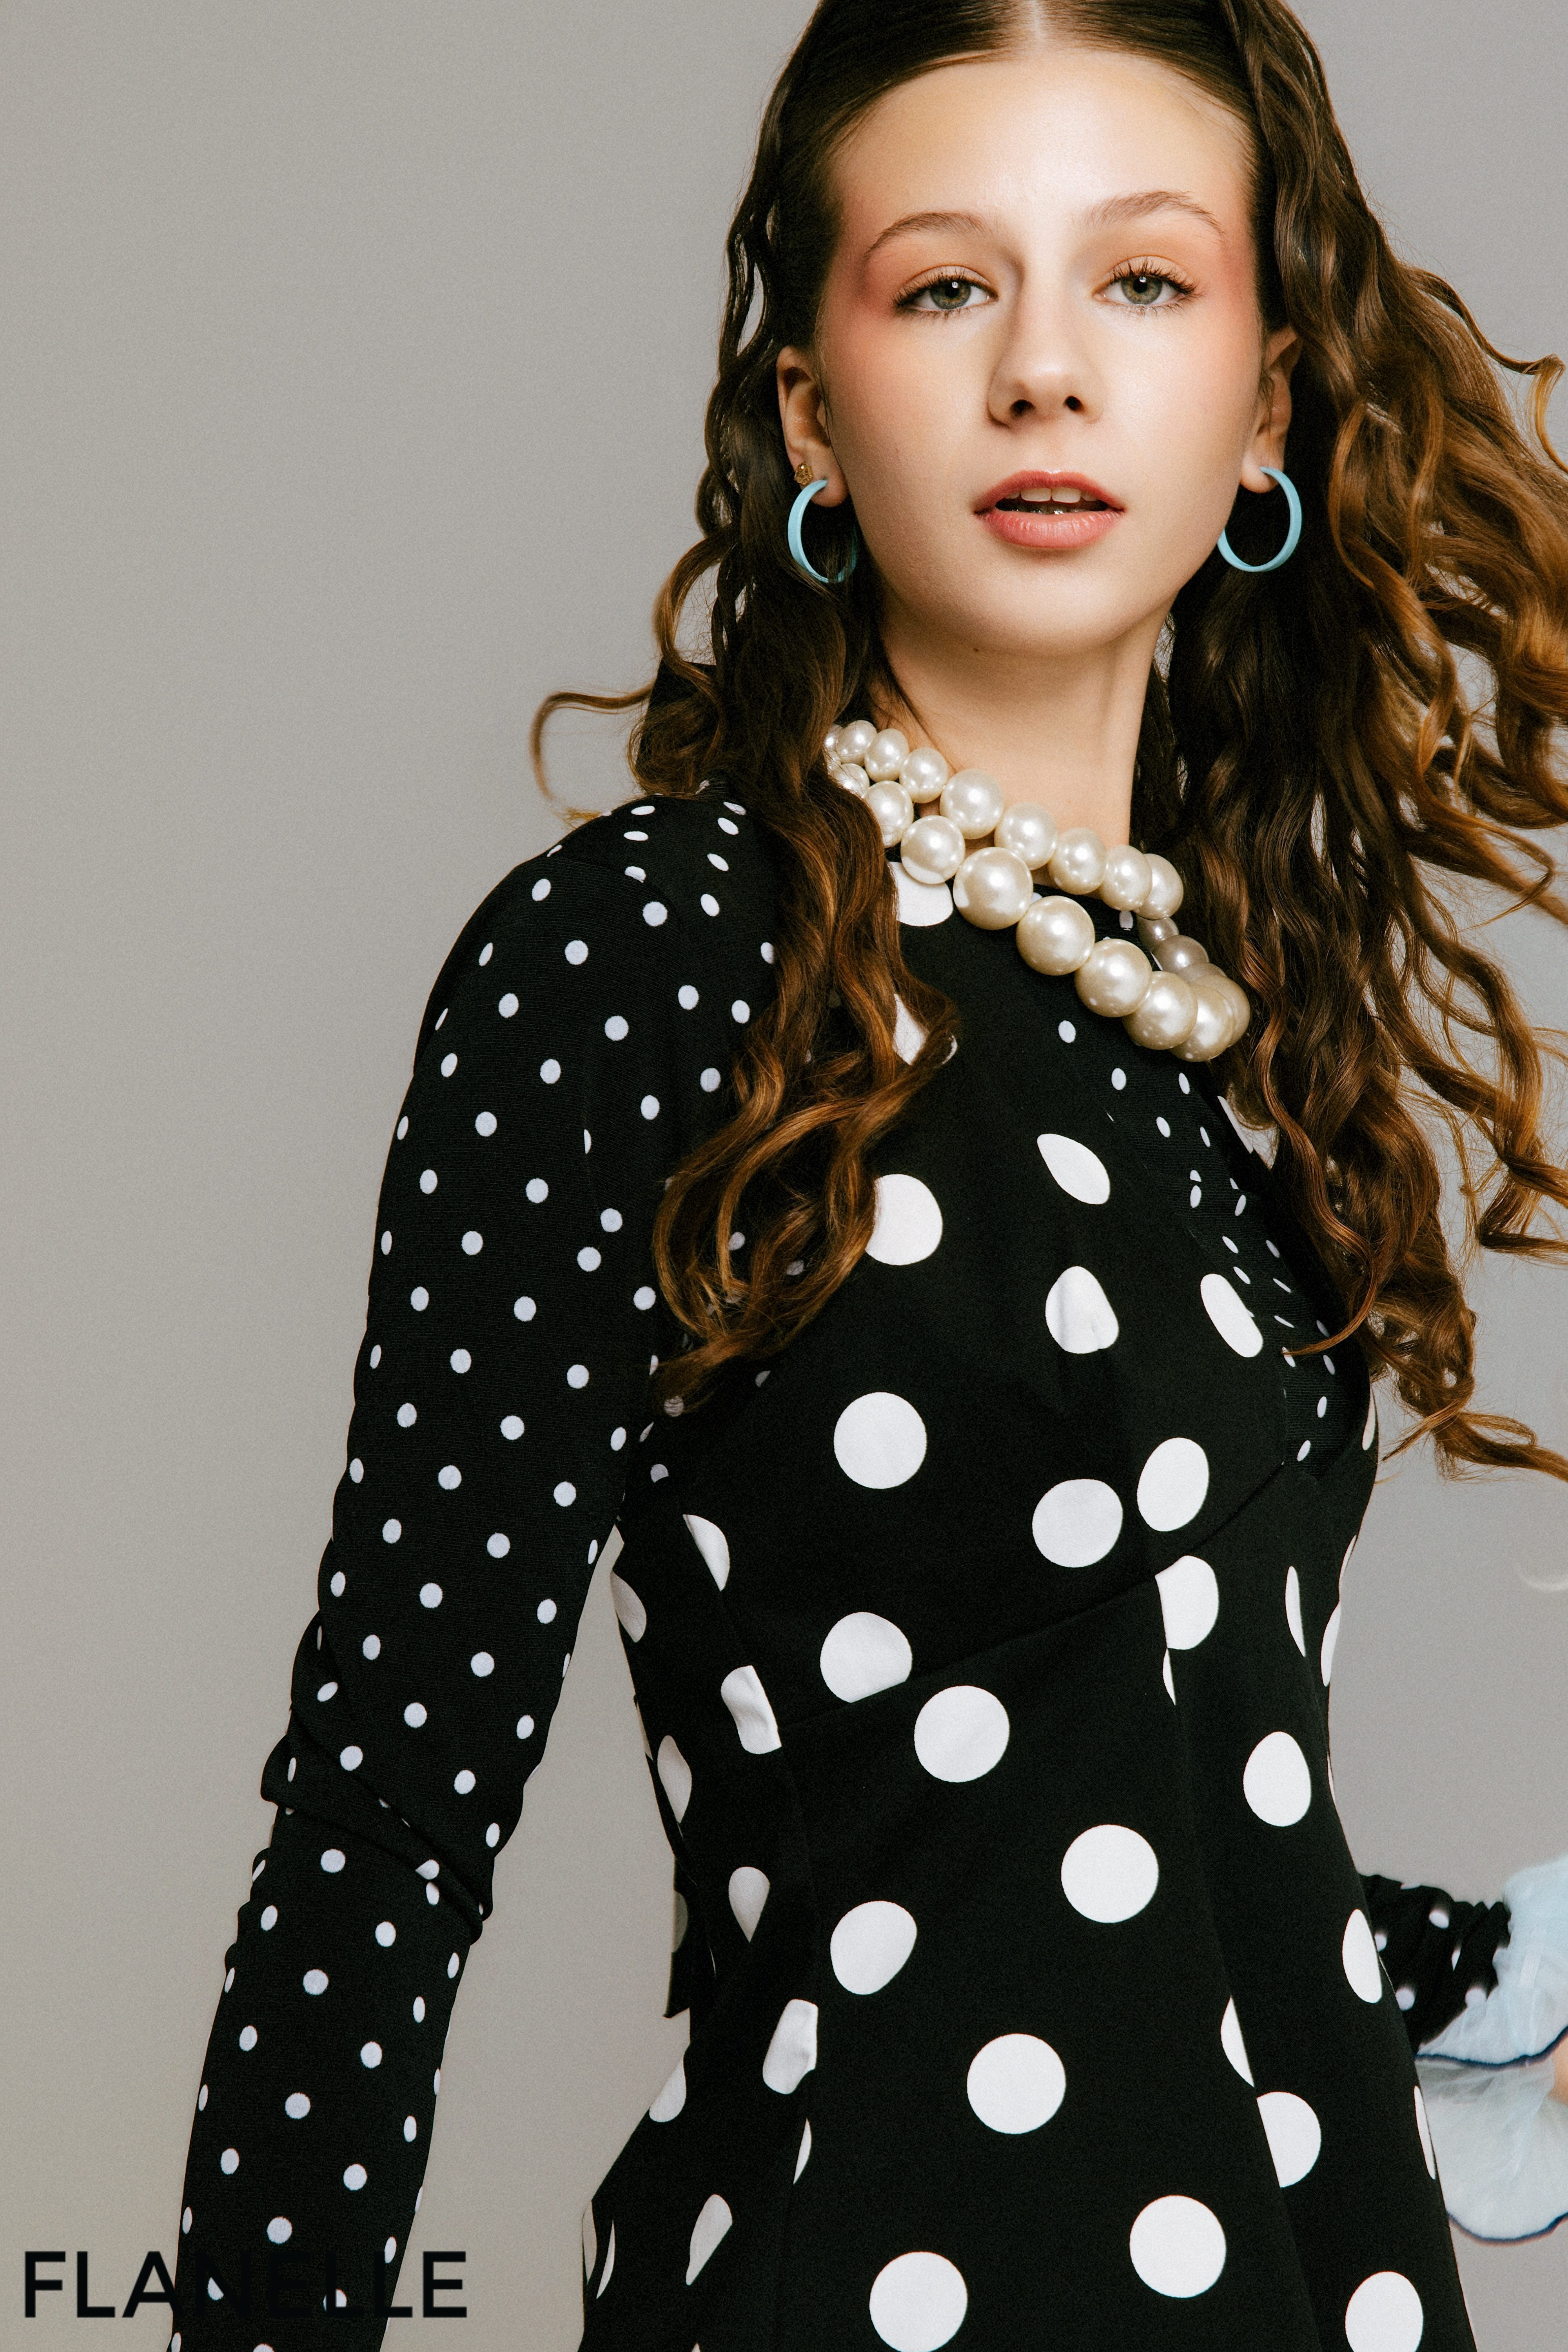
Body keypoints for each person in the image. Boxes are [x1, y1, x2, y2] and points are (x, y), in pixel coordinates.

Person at [166, 3, 1568, 2346]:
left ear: (1268, 414)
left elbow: (1105, 1757)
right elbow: (378, 1838)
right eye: (944, 287)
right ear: (815, 409)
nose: (1044, 371)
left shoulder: (1217, 1043)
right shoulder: (654, 957)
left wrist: (1471, 1971)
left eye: (1141, 281)